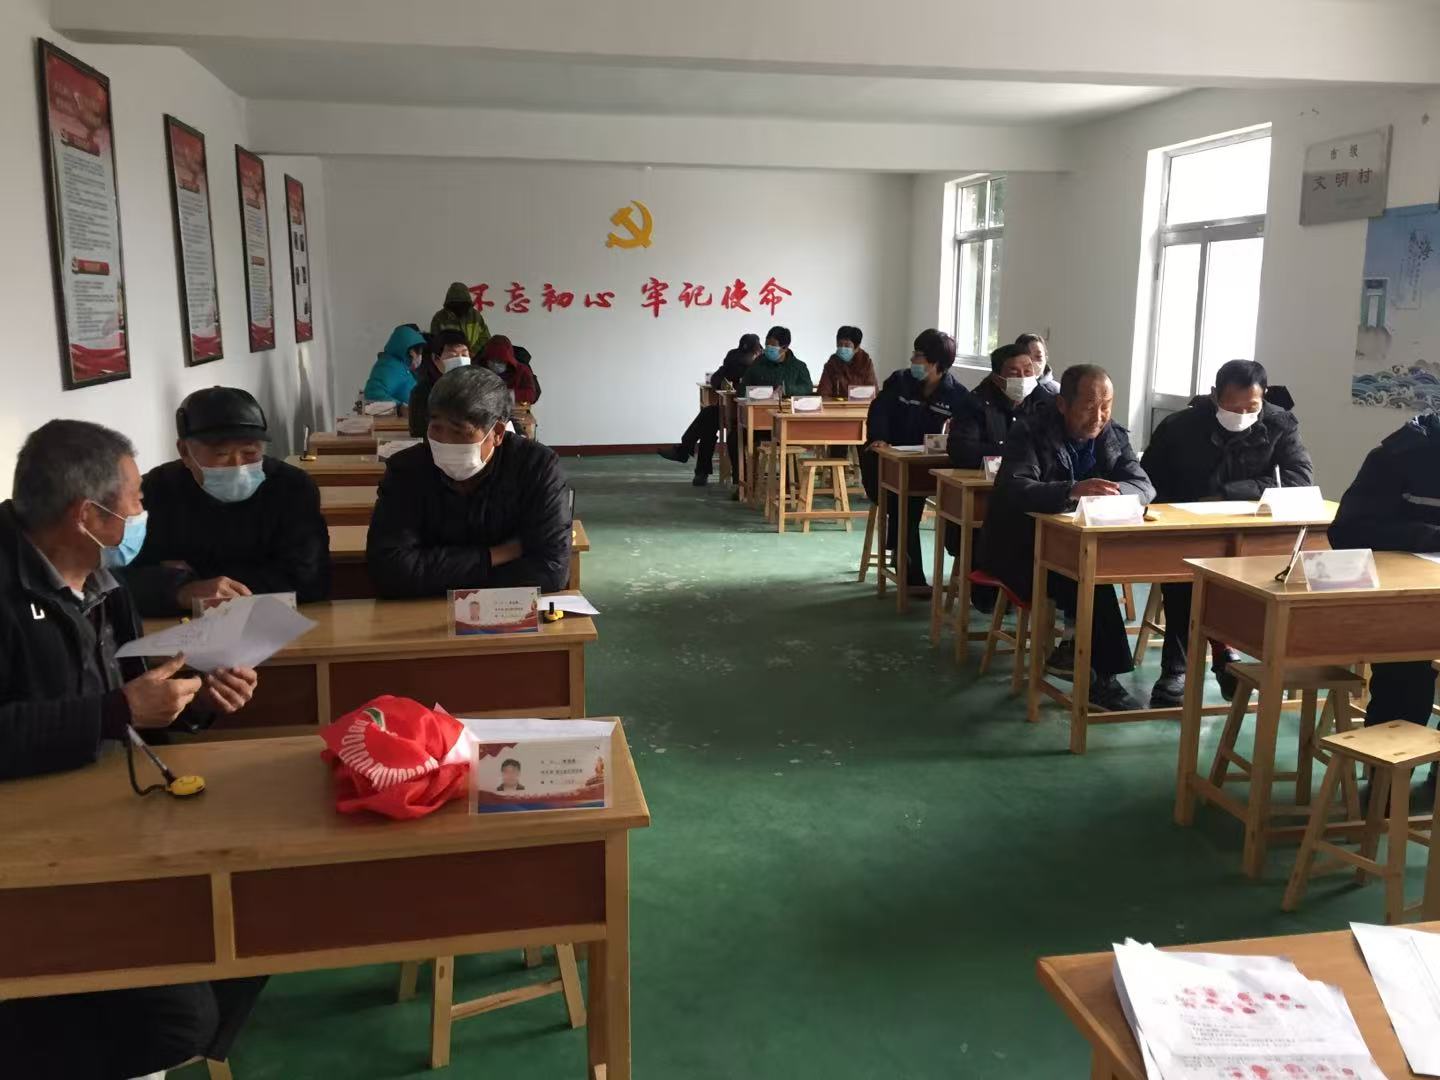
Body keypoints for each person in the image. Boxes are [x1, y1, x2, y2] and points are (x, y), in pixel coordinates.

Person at [0, 419, 263, 1078]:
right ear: (87, 515)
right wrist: (117, 711)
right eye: (136, 499)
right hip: (31, 853)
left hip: (114, 817)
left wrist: (196, 701)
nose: (144, 511)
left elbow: (134, 699)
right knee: (176, 1020)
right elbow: (112, 709)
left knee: (256, 916)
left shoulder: (102, 582)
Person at [979, 365, 1155, 711]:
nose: (1099, 416)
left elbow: (1143, 485)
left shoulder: (1111, 435)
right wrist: (1072, 491)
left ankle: (1074, 651)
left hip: (1079, 544)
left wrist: (1115, 492)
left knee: (1089, 569)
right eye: (1089, 407)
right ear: (1062, 404)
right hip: (1021, 546)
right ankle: (1102, 679)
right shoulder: (1029, 432)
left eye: (1106, 406)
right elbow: (1016, 487)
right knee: (1090, 580)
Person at [1141, 359, 1314, 707]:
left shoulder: (1280, 424)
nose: (1242, 415)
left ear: (1264, 397)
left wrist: (1229, 493)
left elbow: (1299, 478)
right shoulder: (1180, 426)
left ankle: (1229, 653)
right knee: (1187, 578)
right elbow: (1147, 479)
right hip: (1186, 529)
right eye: (1232, 407)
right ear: (1214, 395)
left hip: (1250, 529)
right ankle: (1181, 667)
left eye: (1251, 407)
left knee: (1260, 581)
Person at [120, 387, 331, 617]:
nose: (238, 465)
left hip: (275, 618)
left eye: (250, 452)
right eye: (221, 454)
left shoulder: (292, 487)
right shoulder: (155, 490)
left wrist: (195, 578)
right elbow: (119, 578)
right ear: (184, 451)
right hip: (182, 624)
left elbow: (307, 580)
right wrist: (181, 590)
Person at [367, 367, 572, 596]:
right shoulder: (406, 469)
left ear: (497, 432)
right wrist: (493, 556)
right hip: (421, 610)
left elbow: (551, 571)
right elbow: (387, 570)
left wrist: (435, 570)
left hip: (506, 610)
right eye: (436, 428)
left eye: (459, 433)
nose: (444, 442)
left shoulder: (537, 467)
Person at [1330, 411, 1440, 806]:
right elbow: (1346, 532)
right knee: (1406, 678)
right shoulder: (1397, 456)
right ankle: (1386, 781)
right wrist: (1429, 536)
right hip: (1405, 599)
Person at [862, 329, 969, 592]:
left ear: (936, 362)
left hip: (936, 463)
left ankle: (965, 574)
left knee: (963, 507)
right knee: (904, 504)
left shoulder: (958, 395)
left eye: (918, 355)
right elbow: (879, 411)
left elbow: (965, 431)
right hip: (895, 460)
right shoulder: (900, 381)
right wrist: (880, 438)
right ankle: (911, 577)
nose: (912, 359)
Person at [657, 333, 763, 486]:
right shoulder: (734, 358)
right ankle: (697, 466)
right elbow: (716, 379)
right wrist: (725, 384)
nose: (746, 360)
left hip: (753, 415)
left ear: (758, 351)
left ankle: (687, 456)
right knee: (708, 416)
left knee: (708, 420)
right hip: (733, 411)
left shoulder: (763, 363)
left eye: (749, 356)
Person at [947, 343, 1053, 469]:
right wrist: (1015, 451)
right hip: (986, 477)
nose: (1023, 377)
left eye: (1028, 371)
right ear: (996, 378)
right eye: (1014, 373)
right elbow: (961, 450)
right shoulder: (974, 403)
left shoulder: (1044, 401)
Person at [409, 329, 471, 436]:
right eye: (452, 356)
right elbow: (418, 432)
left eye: (464, 355)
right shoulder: (423, 392)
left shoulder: (477, 387)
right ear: (436, 359)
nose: (460, 360)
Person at [739, 326, 812, 397]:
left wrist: (787, 390)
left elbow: (807, 388)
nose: (768, 348)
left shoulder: (798, 366)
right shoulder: (758, 362)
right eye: (767, 345)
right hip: (760, 404)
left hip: (786, 404)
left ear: (785, 348)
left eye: (772, 346)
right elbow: (743, 388)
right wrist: (753, 393)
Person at [364, 324, 427, 404]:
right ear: (411, 352)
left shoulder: (402, 366)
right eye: (419, 353)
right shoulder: (389, 366)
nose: (420, 357)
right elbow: (373, 394)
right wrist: (400, 408)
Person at [430, 281, 491, 357]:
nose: (459, 306)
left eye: (463, 303)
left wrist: (472, 352)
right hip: (448, 358)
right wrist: (450, 353)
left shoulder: (475, 316)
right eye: (455, 303)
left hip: (473, 358)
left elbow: (485, 337)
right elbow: (435, 342)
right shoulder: (440, 318)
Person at [478, 335, 540, 408]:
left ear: (508, 360)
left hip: (513, 410)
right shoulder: (479, 368)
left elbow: (531, 395)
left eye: (499, 361)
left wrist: (508, 394)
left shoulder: (522, 370)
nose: (495, 364)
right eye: (491, 360)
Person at [817, 325, 877, 399]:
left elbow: (872, 392)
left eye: (847, 345)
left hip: (860, 404)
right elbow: (823, 393)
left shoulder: (866, 363)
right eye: (840, 344)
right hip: (836, 405)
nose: (842, 348)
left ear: (857, 348)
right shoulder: (832, 364)